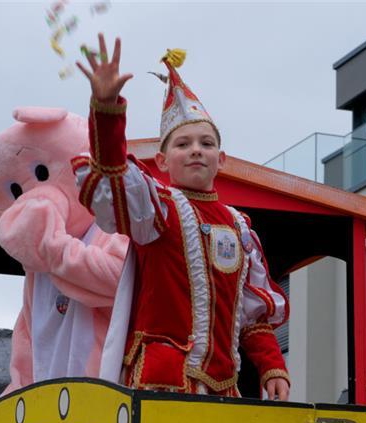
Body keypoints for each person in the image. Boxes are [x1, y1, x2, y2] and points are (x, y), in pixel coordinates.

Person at [72, 34, 290, 401]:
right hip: (158, 383)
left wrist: (272, 366)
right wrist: (107, 110)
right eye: (183, 144)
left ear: (221, 159)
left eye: (206, 143)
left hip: (224, 389)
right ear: (162, 161)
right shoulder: (158, 208)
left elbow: (253, 317)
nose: (196, 151)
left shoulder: (239, 227)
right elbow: (113, 176)